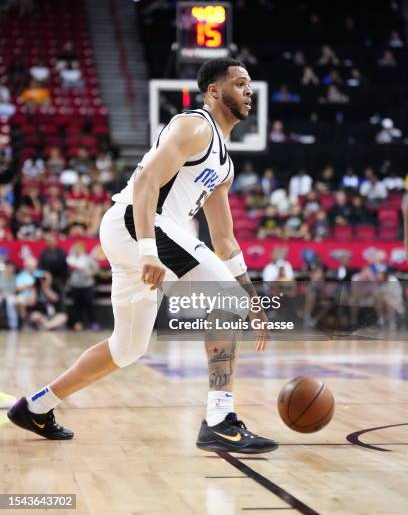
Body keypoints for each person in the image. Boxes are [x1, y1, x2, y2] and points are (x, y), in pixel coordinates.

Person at [8, 58, 278, 454]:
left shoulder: (224, 164)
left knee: (128, 348)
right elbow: (147, 181)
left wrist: (253, 299)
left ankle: (35, 407)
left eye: (250, 84)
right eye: (240, 83)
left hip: (137, 233)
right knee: (226, 301)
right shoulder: (194, 126)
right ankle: (220, 420)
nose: (248, 90)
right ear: (214, 91)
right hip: (138, 223)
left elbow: (225, 239)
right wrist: (149, 249)